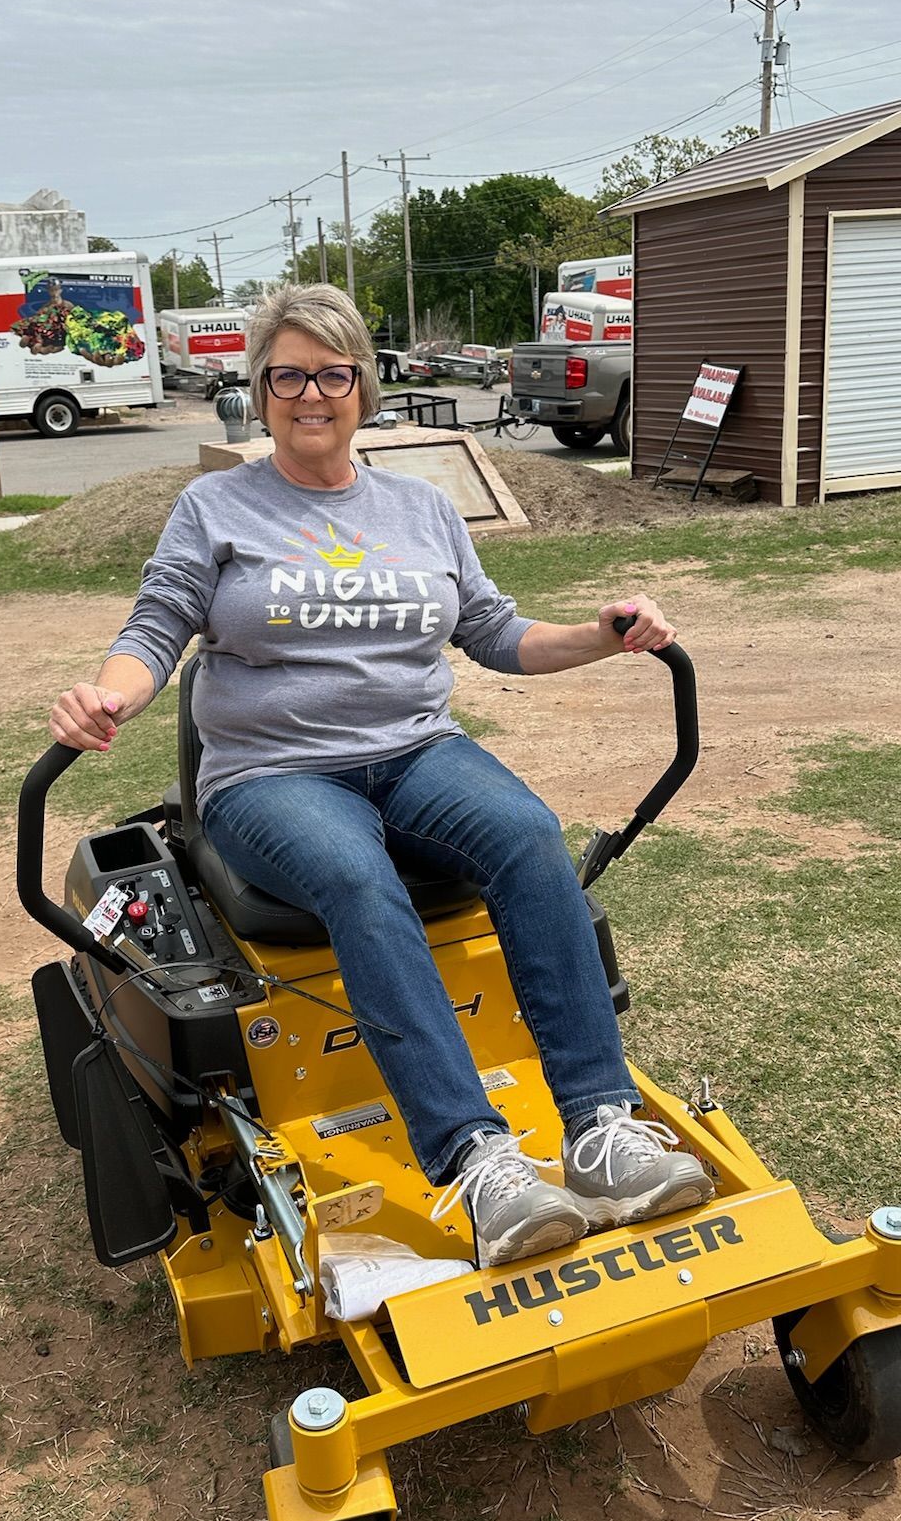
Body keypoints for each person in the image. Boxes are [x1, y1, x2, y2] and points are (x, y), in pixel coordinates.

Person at [49, 284, 712, 1268]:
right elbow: (156, 630)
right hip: (273, 774)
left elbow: (493, 631)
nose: (309, 393)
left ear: (362, 384)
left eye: (330, 372)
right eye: (287, 375)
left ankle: (601, 1129)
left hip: (414, 753)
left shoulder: (421, 506)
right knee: (358, 878)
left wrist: (603, 635)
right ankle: (480, 1160)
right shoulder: (216, 506)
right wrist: (108, 695)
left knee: (529, 835)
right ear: (261, 390)